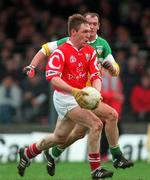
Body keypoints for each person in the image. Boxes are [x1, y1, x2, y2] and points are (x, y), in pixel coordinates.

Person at [23, 12, 133, 177]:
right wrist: (32, 66)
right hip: (71, 95)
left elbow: (113, 70)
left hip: (90, 94)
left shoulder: (101, 45)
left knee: (106, 118)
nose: (91, 28)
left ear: (98, 26)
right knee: (90, 127)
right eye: (88, 25)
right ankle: (96, 167)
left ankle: (115, 156)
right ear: (78, 29)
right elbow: (45, 49)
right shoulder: (65, 46)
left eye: (94, 24)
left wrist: (111, 69)